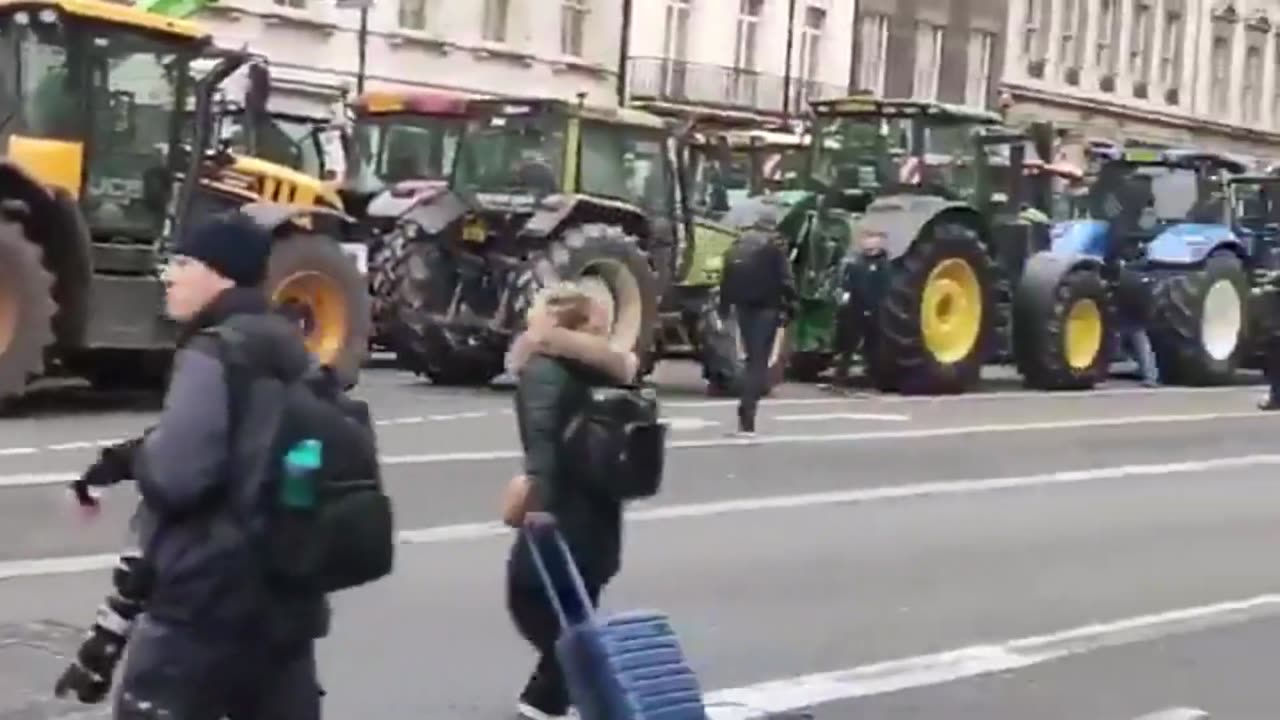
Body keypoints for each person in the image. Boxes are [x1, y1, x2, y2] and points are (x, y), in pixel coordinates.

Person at [56, 213, 328, 720]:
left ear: (219, 273)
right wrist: (122, 460)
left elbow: (181, 476)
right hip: (285, 599)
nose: (169, 274)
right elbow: (248, 444)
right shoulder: (292, 352)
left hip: (205, 604)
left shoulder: (214, 352)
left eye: (182, 262)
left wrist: (143, 463)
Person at [500, 283, 639, 720]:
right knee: (576, 607)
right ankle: (559, 696)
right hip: (599, 509)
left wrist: (536, 496)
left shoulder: (545, 370)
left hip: (561, 506)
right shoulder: (606, 371)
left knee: (531, 596)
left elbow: (541, 441)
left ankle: (559, 694)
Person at [717, 208, 797, 436]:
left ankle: (745, 411)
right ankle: (747, 413)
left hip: (743, 308)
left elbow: (726, 279)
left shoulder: (737, 246)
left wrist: (724, 308)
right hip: (767, 308)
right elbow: (786, 280)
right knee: (759, 363)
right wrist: (793, 305)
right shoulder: (774, 248)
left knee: (751, 357)